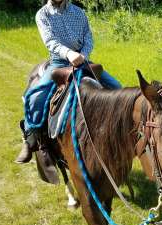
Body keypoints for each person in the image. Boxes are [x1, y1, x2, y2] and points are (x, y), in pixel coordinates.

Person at [15, 0, 121, 164]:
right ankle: (29, 139)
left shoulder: (79, 12)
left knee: (117, 88)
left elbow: (88, 37)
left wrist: (83, 55)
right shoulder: (42, 14)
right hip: (58, 63)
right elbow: (50, 41)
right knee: (34, 98)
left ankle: (120, 134)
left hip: (83, 60)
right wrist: (69, 54)